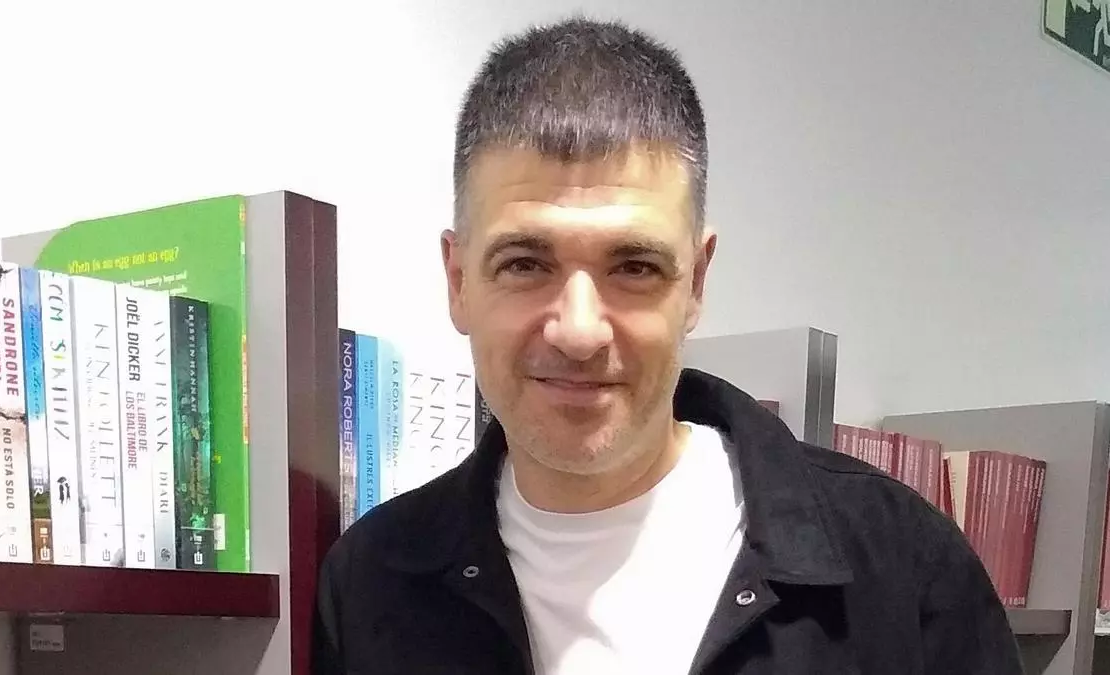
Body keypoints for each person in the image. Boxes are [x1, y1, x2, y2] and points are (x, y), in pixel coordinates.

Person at [312, 16, 1024, 675]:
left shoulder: (901, 568)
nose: (580, 331)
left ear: (696, 282)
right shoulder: (371, 583)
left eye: (634, 267)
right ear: (459, 281)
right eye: (525, 263)